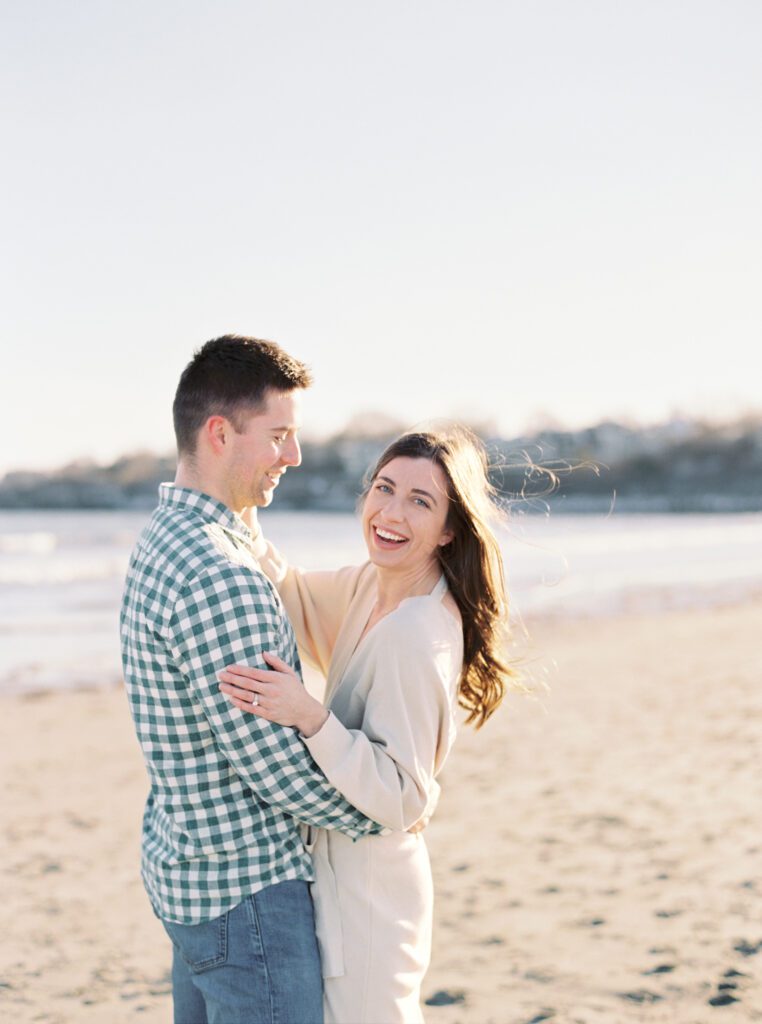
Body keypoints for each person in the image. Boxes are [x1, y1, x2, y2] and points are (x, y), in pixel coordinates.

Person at [119, 334, 384, 1024]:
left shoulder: (165, 538)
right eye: (278, 435)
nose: (293, 457)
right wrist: (381, 814)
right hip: (250, 898)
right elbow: (273, 765)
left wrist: (249, 510)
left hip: (190, 875)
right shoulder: (219, 575)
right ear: (218, 433)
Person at [219, 426, 514, 1024]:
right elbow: (293, 593)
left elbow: (405, 795)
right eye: (384, 488)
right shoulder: (370, 586)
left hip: (372, 897)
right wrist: (240, 504)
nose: (391, 512)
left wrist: (309, 716)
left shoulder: (414, 633)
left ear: (449, 530)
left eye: (420, 501)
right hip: (343, 876)